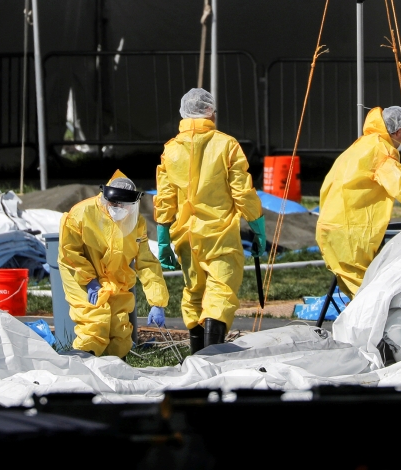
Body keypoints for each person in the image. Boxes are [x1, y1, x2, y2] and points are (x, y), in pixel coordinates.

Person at [155, 88, 265, 353]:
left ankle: (196, 359)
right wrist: (258, 226)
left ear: (183, 113)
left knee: (193, 292)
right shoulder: (226, 144)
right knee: (221, 292)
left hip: (186, 236)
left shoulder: (171, 149)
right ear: (210, 112)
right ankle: (211, 359)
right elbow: (242, 191)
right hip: (220, 234)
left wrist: (162, 239)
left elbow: (165, 196)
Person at [316, 106, 401, 299]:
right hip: (350, 233)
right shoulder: (382, 152)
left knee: (358, 294)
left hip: (331, 227)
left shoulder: (363, 144)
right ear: (399, 132)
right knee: (370, 297)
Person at [59, 171, 169, 358]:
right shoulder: (81, 213)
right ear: (105, 197)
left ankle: (115, 373)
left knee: (120, 329)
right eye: (114, 203)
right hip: (81, 276)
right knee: (95, 322)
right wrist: (89, 279)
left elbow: (146, 262)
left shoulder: (136, 222)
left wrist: (157, 301)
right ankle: (82, 371)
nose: (117, 207)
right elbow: (68, 252)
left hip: (116, 279)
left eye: (123, 204)